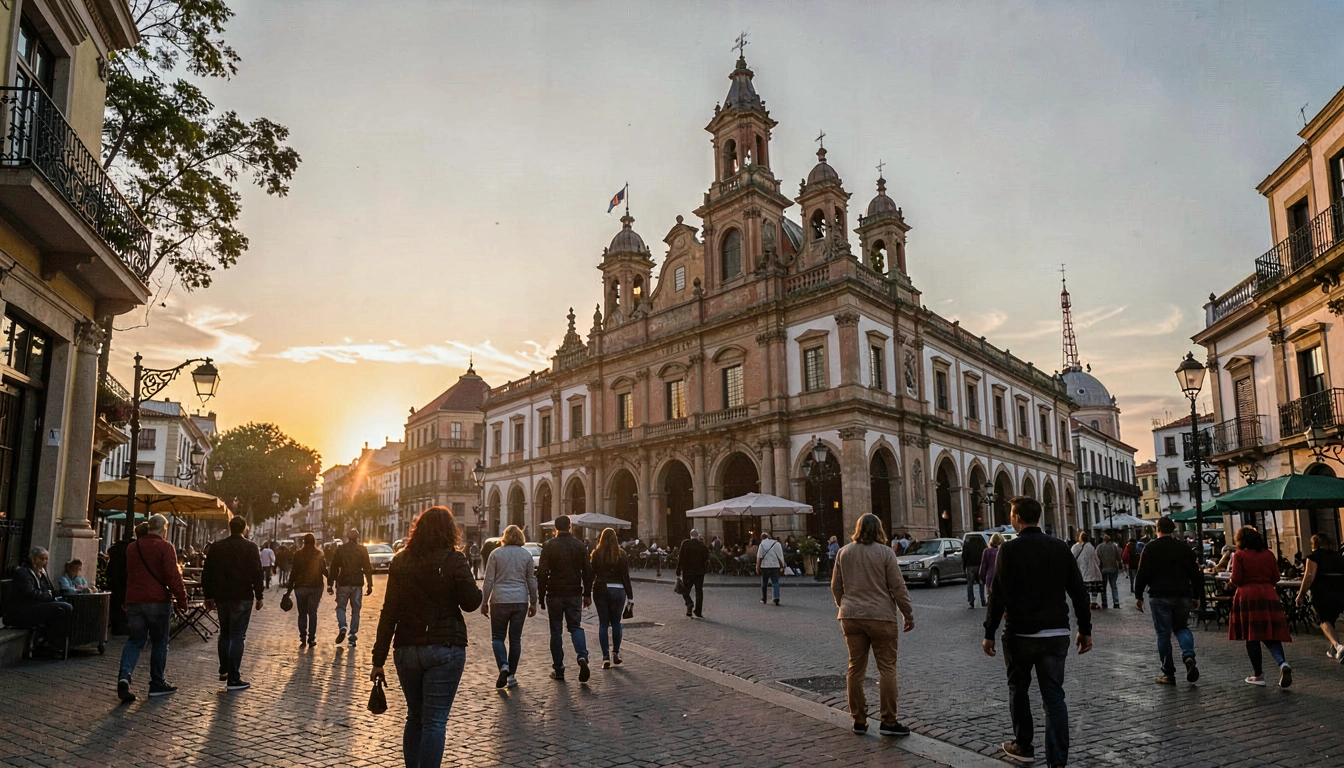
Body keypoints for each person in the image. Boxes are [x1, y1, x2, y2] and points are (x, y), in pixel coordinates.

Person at [984, 497, 1092, 768]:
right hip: (1056, 633)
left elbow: (998, 595)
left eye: (1011, 514)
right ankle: (1057, 761)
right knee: (1054, 695)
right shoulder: (1059, 548)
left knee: (1018, 690)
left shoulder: (1009, 550)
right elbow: (1078, 591)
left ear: (1017, 518)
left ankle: (1023, 745)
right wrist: (1085, 629)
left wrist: (989, 631)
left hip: (1020, 633)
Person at [370, 506, 481, 768]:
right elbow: (471, 603)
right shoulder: (454, 559)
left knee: (415, 717)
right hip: (446, 648)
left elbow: (389, 613)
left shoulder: (400, 561)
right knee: (434, 721)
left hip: (407, 649)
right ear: (450, 531)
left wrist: (378, 660)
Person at [831, 513, 915, 737]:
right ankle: (888, 721)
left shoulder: (843, 552)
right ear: (879, 529)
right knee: (887, 668)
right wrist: (908, 614)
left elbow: (836, 586)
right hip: (881, 617)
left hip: (850, 616)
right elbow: (898, 588)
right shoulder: (886, 553)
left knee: (855, 668)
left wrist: (845, 605)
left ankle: (858, 720)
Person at [117, 514, 189, 702]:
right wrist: (182, 599)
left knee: (134, 641)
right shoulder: (165, 547)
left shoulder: (132, 547)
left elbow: (130, 574)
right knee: (159, 641)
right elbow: (172, 575)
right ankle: (157, 682)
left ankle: (125, 675)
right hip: (157, 601)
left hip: (135, 600)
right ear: (164, 529)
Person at [1132, 517, 1202, 686]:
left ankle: (1168, 673)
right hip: (1182, 594)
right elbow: (1195, 573)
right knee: (1182, 628)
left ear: (1158, 529)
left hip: (1159, 595)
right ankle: (1188, 656)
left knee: (1163, 634)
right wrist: (1196, 596)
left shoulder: (1150, 548)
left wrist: (1138, 595)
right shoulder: (1184, 548)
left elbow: (1142, 573)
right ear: (1173, 530)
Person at [202, 515, 265, 691]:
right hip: (243, 596)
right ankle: (234, 678)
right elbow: (257, 572)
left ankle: (224, 669)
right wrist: (259, 596)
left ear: (230, 527)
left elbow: (207, 572)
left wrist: (208, 595)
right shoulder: (250, 547)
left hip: (221, 596)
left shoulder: (217, 547)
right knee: (238, 636)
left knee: (225, 633)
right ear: (244, 528)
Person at [1228, 526, 1292, 687]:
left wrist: (1231, 581)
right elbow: (1275, 577)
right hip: (1268, 594)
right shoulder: (1268, 554)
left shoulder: (1240, 555)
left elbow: (1237, 579)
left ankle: (1258, 674)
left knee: (1252, 635)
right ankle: (1282, 663)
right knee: (1271, 634)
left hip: (1248, 596)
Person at [535, 515, 593, 682]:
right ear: (570, 526)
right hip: (574, 592)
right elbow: (588, 572)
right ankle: (582, 656)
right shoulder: (580, 546)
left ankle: (558, 669)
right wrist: (587, 593)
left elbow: (542, 573)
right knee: (575, 627)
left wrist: (540, 596)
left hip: (554, 593)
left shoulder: (549, 545)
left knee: (556, 632)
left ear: (555, 528)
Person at [480, 524, 537, 688]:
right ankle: (511, 676)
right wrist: (533, 601)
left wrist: (484, 602)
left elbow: (488, 580)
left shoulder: (495, 554)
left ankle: (503, 665)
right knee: (515, 639)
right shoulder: (526, 555)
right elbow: (531, 580)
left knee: (498, 637)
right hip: (520, 599)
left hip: (499, 599)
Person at [5, 547, 73, 658]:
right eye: (42, 559)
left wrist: (62, 592)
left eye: (46, 559)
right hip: (23, 609)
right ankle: (49, 644)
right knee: (61, 609)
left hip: (36, 605)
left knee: (67, 607)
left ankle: (54, 642)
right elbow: (30, 593)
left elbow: (49, 589)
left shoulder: (42, 572)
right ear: (33, 559)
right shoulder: (23, 572)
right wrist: (47, 595)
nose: (45, 562)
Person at [590, 527, 633, 669]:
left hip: (601, 588)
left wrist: (586, 593)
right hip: (618, 589)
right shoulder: (622, 554)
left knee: (603, 624)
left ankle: (605, 657)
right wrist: (630, 597)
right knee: (616, 622)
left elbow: (592, 575)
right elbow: (625, 577)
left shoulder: (596, 554)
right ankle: (615, 653)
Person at [1299, 533, 1344, 660]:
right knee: (1331, 619)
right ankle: (1333, 649)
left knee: (1323, 620)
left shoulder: (1314, 557)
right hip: (1340, 592)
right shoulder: (1339, 557)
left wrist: (1301, 594)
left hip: (1322, 592)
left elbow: (1309, 576)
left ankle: (1338, 646)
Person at [328, 528, 374, 648]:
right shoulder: (362, 549)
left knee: (341, 607)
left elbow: (334, 567)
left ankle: (342, 626)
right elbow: (367, 567)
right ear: (357, 537)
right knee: (356, 610)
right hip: (357, 583)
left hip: (343, 582)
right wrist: (370, 583)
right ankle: (352, 635)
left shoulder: (341, 549)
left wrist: (330, 583)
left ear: (347, 537)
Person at [285, 534, 327, 648]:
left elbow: (294, 573)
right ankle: (311, 638)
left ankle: (302, 637)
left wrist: (289, 589)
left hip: (300, 587)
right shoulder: (319, 554)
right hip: (316, 587)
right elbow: (324, 570)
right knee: (313, 613)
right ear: (314, 542)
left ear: (304, 542)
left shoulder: (298, 554)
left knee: (302, 613)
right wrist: (332, 582)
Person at [676, 528, 710, 618]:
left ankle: (689, 603)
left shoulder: (685, 543)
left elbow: (681, 558)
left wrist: (678, 570)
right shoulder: (702, 546)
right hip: (699, 572)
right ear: (698, 536)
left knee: (685, 590)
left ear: (690, 535)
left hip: (688, 572)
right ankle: (698, 611)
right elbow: (706, 558)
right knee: (699, 592)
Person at [1070, 532, 1103, 610]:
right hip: (1093, 570)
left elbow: (1071, 559)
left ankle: (1085, 601)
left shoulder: (1075, 547)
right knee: (1093, 588)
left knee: (1083, 588)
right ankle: (1093, 602)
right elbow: (1097, 560)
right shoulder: (1091, 547)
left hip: (1081, 571)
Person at [757, 531, 786, 606]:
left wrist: (757, 566)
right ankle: (776, 596)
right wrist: (782, 566)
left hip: (765, 566)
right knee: (775, 582)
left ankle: (764, 598)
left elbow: (759, 556)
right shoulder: (777, 544)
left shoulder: (762, 544)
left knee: (764, 582)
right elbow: (780, 556)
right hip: (775, 565)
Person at [1096, 535, 1122, 610]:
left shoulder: (1099, 547)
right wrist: (1120, 565)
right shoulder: (1114, 546)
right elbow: (1118, 557)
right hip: (1113, 568)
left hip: (1103, 568)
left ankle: (1104, 603)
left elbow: (1097, 557)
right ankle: (1116, 602)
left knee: (1103, 587)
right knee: (1113, 585)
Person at [964, 532, 988, 609]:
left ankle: (971, 601)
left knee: (970, 584)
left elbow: (964, 556)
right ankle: (983, 600)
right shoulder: (981, 545)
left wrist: (965, 566)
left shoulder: (967, 545)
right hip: (980, 566)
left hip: (970, 566)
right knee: (981, 583)